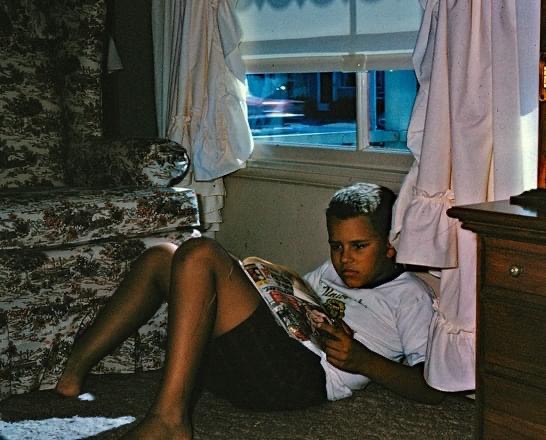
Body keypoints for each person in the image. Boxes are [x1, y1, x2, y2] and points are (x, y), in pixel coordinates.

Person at [55, 182, 444, 440]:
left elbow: (431, 388)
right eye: (336, 245)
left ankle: (169, 419)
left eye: (359, 246)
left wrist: (363, 361)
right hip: (253, 362)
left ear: (391, 244)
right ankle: (73, 370)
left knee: (201, 253)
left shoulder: (409, 297)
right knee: (162, 257)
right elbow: (298, 299)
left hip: (301, 380)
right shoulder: (331, 271)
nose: (345, 259)